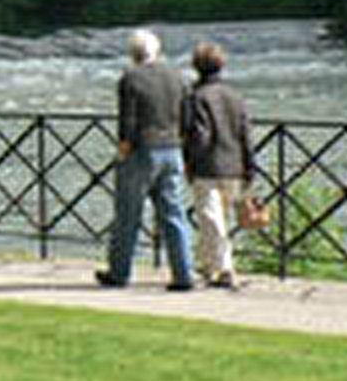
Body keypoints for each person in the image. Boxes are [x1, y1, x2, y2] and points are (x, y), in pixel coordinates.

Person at [96, 29, 195, 291]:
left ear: (133, 53)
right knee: (174, 213)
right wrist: (183, 146)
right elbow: (187, 118)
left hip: (142, 149)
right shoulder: (178, 76)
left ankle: (119, 272)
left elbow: (128, 120)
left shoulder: (131, 78)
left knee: (128, 213)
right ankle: (184, 273)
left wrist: (123, 148)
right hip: (172, 148)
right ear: (157, 51)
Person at [184, 41, 255, 290]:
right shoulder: (235, 95)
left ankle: (224, 269)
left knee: (211, 219)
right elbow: (246, 133)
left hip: (208, 166)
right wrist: (250, 166)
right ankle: (207, 267)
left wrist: (189, 161)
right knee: (216, 220)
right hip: (234, 165)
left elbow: (200, 136)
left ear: (196, 67)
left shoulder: (197, 96)